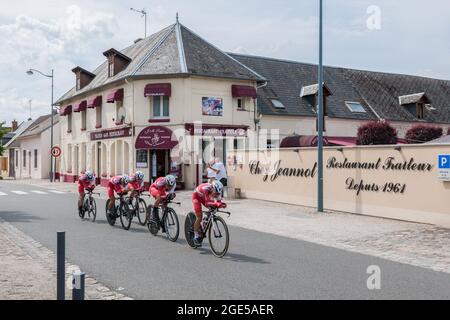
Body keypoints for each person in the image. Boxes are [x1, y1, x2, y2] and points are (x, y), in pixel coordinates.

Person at [191, 180, 227, 247]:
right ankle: (196, 236)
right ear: (212, 189)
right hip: (197, 197)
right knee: (199, 217)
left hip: (205, 197)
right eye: (215, 193)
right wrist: (216, 203)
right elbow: (207, 202)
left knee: (213, 209)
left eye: (218, 193)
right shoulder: (206, 189)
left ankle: (204, 223)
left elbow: (219, 200)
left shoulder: (219, 191)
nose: (217, 195)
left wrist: (222, 204)